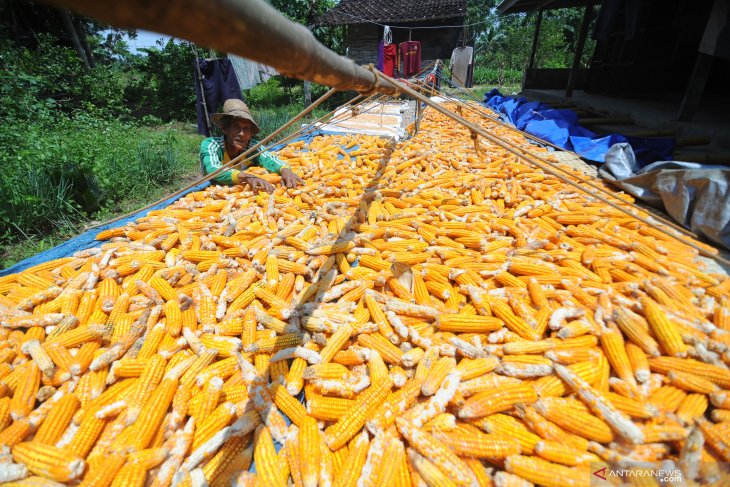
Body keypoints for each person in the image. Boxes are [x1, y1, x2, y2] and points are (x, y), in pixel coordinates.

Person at [200, 99, 303, 193]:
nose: (242, 134)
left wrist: (285, 170)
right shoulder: (211, 145)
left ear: (250, 134)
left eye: (246, 129)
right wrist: (247, 177)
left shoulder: (252, 147)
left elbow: (270, 159)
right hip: (213, 191)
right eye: (236, 127)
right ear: (225, 129)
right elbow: (213, 169)